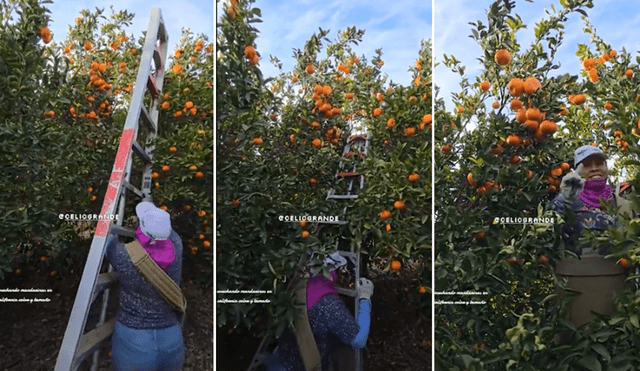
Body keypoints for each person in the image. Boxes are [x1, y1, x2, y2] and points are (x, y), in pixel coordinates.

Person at [105, 201, 186, 371]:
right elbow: (167, 235)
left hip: (134, 341)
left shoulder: (123, 256)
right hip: (171, 338)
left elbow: (106, 240)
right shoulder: (177, 246)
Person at [264, 252, 374, 371]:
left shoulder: (291, 280)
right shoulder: (326, 304)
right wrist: (365, 299)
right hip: (302, 365)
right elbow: (359, 340)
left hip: (280, 358)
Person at [550, 145, 632, 255]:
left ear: (606, 168)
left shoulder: (623, 204)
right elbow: (548, 233)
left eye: (599, 163)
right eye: (587, 165)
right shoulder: (565, 203)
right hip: (576, 270)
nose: (594, 168)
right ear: (577, 172)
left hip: (617, 271)